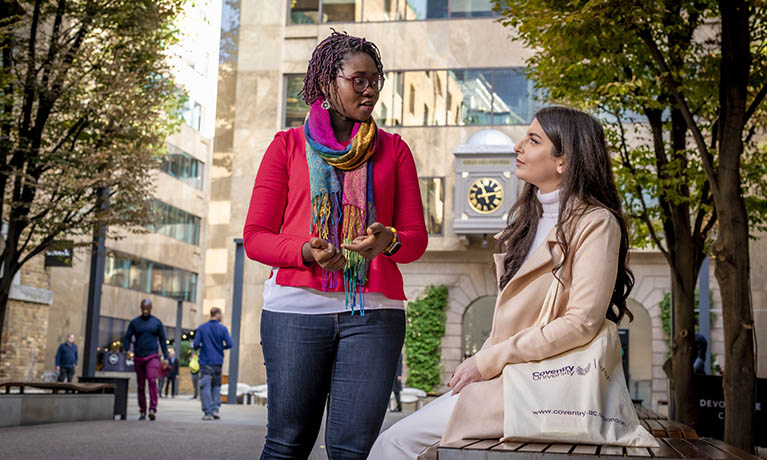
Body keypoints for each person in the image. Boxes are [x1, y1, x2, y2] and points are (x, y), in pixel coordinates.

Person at [369, 106, 635, 459]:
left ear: (563, 161)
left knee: (396, 443)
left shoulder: (596, 223)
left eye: (533, 139)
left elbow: (581, 323)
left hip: (544, 384)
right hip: (512, 380)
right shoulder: (527, 221)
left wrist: (488, 361)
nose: (517, 146)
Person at [243, 30, 427, 460]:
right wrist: (305, 253)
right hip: (294, 311)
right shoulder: (285, 146)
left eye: (376, 80)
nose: (371, 90)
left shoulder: (394, 150)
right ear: (328, 81)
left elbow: (416, 240)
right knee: (287, 444)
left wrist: (388, 241)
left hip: (375, 313)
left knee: (352, 450)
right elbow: (256, 238)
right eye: (359, 80)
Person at [123, 299, 170, 421]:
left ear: (151, 308)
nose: (145, 310)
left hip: (152, 356)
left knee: (152, 380)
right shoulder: (135, 323)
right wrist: (127, 350)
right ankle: (142, 411)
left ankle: (152, 409)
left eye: (147, 308)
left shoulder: (156, 323)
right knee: (140, 385)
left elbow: (162, 340)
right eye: (143, 308)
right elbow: (127, 338)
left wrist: (166, 356)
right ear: (140, 307)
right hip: (138, 356)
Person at [193, 307, 233, 421]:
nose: (222, 316)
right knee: (216, 386)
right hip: (218, 362)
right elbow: (230, 344)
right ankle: (215, 409)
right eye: (221, 314)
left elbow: (196, 344)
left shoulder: (202, 328)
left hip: (205, 362)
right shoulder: (223, 329)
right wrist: (221, 347)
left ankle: (208, 412)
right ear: (217, 314)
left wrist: (201, 347)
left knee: (205, 386)